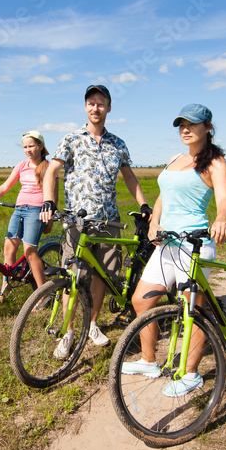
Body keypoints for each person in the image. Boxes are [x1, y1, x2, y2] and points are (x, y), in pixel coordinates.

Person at [121, 103, 226, 397]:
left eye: (192, 124)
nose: (185, 129)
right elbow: (163, 195)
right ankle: (148, 361)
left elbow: (224, 198)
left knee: (194, 309)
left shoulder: (214, 162)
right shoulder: (175, 158)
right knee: (141, 301)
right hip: (166, 242)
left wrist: (222, 218)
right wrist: (154, 222)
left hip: (193, 243)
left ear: (207, 128)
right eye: (181, 124)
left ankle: (192, 374)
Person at [40, 84, 148, 357]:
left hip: (109, 222)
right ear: (85, 108)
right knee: (73, 277)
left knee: (103, 275)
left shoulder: (118, 144)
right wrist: (49, 201)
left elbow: (129, 176)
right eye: (91, 103)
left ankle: (92, 324)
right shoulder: (71, 139)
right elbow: (52, 170)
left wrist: (144, 204)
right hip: (78, 222)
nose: (96, 107)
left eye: (101, 103)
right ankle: (68, 332)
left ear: (109, 108)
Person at [0, 130, 54, 294]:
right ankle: (5, 290)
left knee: (30, 251)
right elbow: (5, 187)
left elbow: (53, 194)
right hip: (19, 210)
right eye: (25, 147)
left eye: (31, 146)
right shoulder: (22, 165)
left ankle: (42, 295)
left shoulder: (48, 167)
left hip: (37, 211)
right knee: (9, 250)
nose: (28, 150)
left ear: (40, 146)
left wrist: (50, 218)